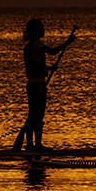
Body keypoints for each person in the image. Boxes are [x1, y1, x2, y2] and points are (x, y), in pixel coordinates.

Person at [13, 18, 74, 154]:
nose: (43, 29)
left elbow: (36, 64)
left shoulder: (29, 46)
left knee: (33, 115)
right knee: (37, 115)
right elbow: (53, 52)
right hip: (38, 86)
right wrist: (67, 43)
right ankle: (36, 145)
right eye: (41, 27)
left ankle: (30, 144)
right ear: (36, 31)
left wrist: (48, 67)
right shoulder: (37, 45)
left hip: (33, 85)